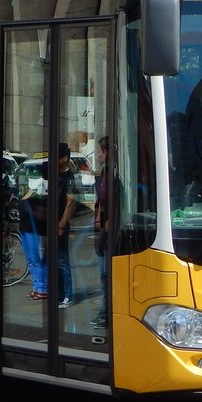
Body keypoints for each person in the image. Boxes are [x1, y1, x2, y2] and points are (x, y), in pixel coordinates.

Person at [55, 142, 76, 309]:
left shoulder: (69, 177)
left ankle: (68, 295)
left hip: (61, 222)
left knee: (62, 260)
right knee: (55, 260)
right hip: (51, 221)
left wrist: (62, 222)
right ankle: (59, 292)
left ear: (64, 158)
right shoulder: (54, 175)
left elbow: (70, 203)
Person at [91, 135, 109, 328]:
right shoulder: (104, 172)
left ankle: (106, 313)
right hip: (102, 230)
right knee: (104, 275)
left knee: (106, 275)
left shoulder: (113, 173)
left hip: (107, 231)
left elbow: (109, 200)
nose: (98, 154)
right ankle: (105, 312)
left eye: (99, 151)